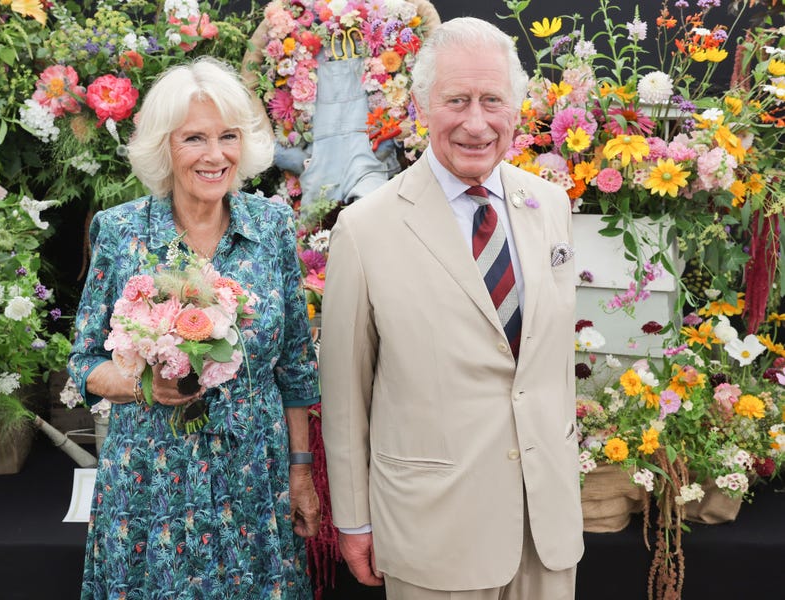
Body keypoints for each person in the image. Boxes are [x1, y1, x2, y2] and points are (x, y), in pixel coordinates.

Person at [320, 17, 584, 600]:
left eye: (493, 100)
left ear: (517, 108)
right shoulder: (365, 230)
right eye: (456, 100)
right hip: (431, 532)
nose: (476, 122)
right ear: (421, 106)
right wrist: (355, 520)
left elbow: (547, 363)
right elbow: (344, 395)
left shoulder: (550, 205)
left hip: (547, 527)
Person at [67, 57, 321, 599]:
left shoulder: (272, 227)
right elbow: (84, 361)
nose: (215, 155)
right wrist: (143, 386)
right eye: (194, 139)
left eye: (228, 136)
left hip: (257, 478)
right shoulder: (120, 232)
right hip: (152, 483)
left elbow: (296, 364)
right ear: (164, 147)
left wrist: (302, 473)